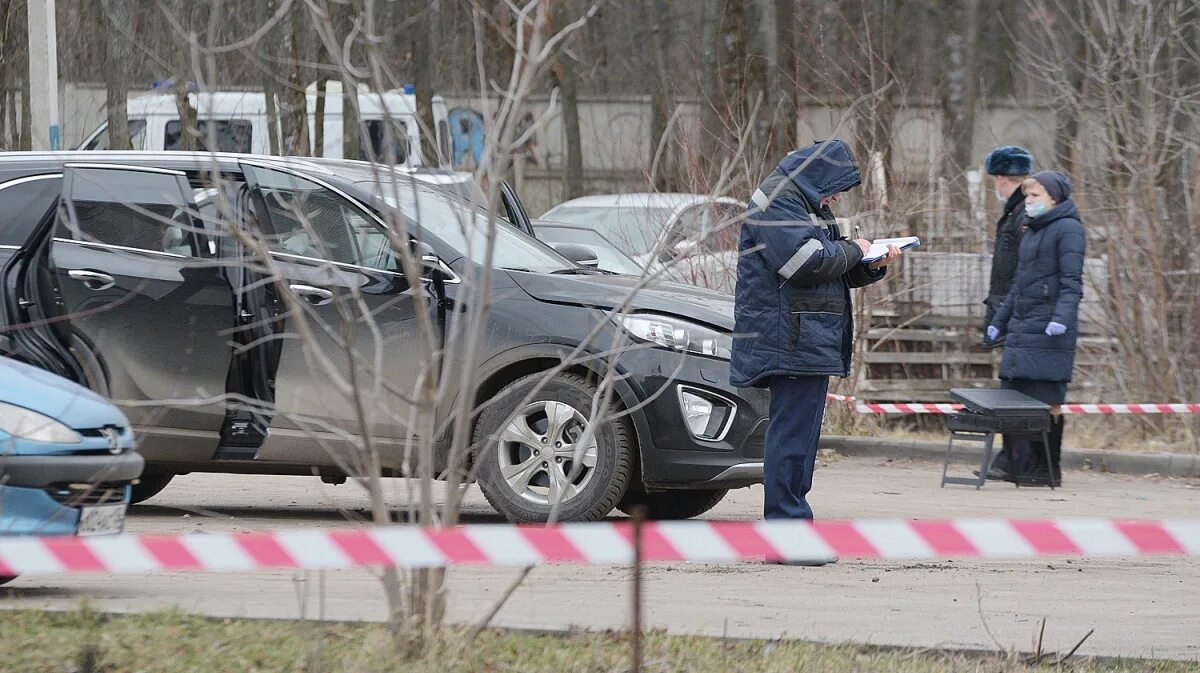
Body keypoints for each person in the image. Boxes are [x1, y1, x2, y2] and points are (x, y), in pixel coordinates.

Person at [731, 140, 900, 559]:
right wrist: (854, 250)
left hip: (805, 336)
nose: (839, 196)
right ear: (816, 175)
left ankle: (794, 528)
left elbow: (828, 269)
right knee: (791, 437)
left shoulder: (802, 201)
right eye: (836, 186)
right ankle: (787, 532)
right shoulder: (778, 203)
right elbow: (805, 265)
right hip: (789, 338)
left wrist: (868, 265)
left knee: (800, 438)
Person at [985, 170, 1085, 487]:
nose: (1028, 201)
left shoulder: (1068, 229)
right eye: (1027, 196)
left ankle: (1046, 468)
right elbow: (1018, 285)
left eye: (1035, 196)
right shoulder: (1031, 231)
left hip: (1049, 331)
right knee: (1015, 399)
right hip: (1021, 328)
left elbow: (1071, 284)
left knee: (1048, 401)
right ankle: (1017, 466)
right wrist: (998, 321)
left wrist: (1061, 318)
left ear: (1054, 198)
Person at [979, 145, 1035, 481]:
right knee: (1011, 384)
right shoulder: (1016, 211)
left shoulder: (1022, 213)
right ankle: (1011, 458)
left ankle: (1015, 459)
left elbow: (1020, 268)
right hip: (1007, 309)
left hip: (1014, 311)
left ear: (1001, 179)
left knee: (1016, 387)